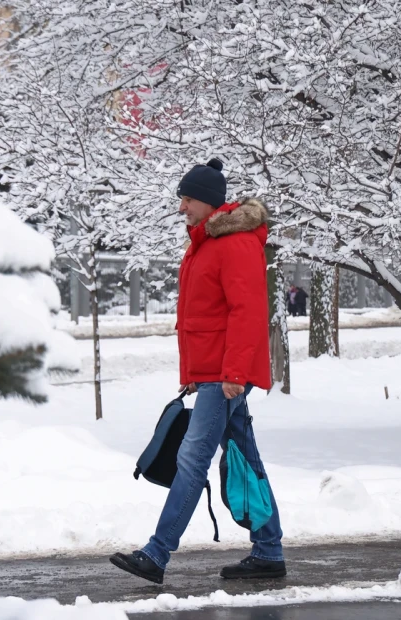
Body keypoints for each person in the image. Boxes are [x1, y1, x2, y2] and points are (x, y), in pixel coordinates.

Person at [109, 158, 286, 584]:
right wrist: (195, 371)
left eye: (187, 199)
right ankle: (269, 550)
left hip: (225, 377)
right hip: (213, 373)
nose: (182, 207)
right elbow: (203, 315)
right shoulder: (205, 243)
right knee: (246, 456)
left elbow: (246, 313)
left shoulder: (235, 243)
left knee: (192, 459)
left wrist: (233, 373)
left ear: (207, 202)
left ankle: (156, 554)